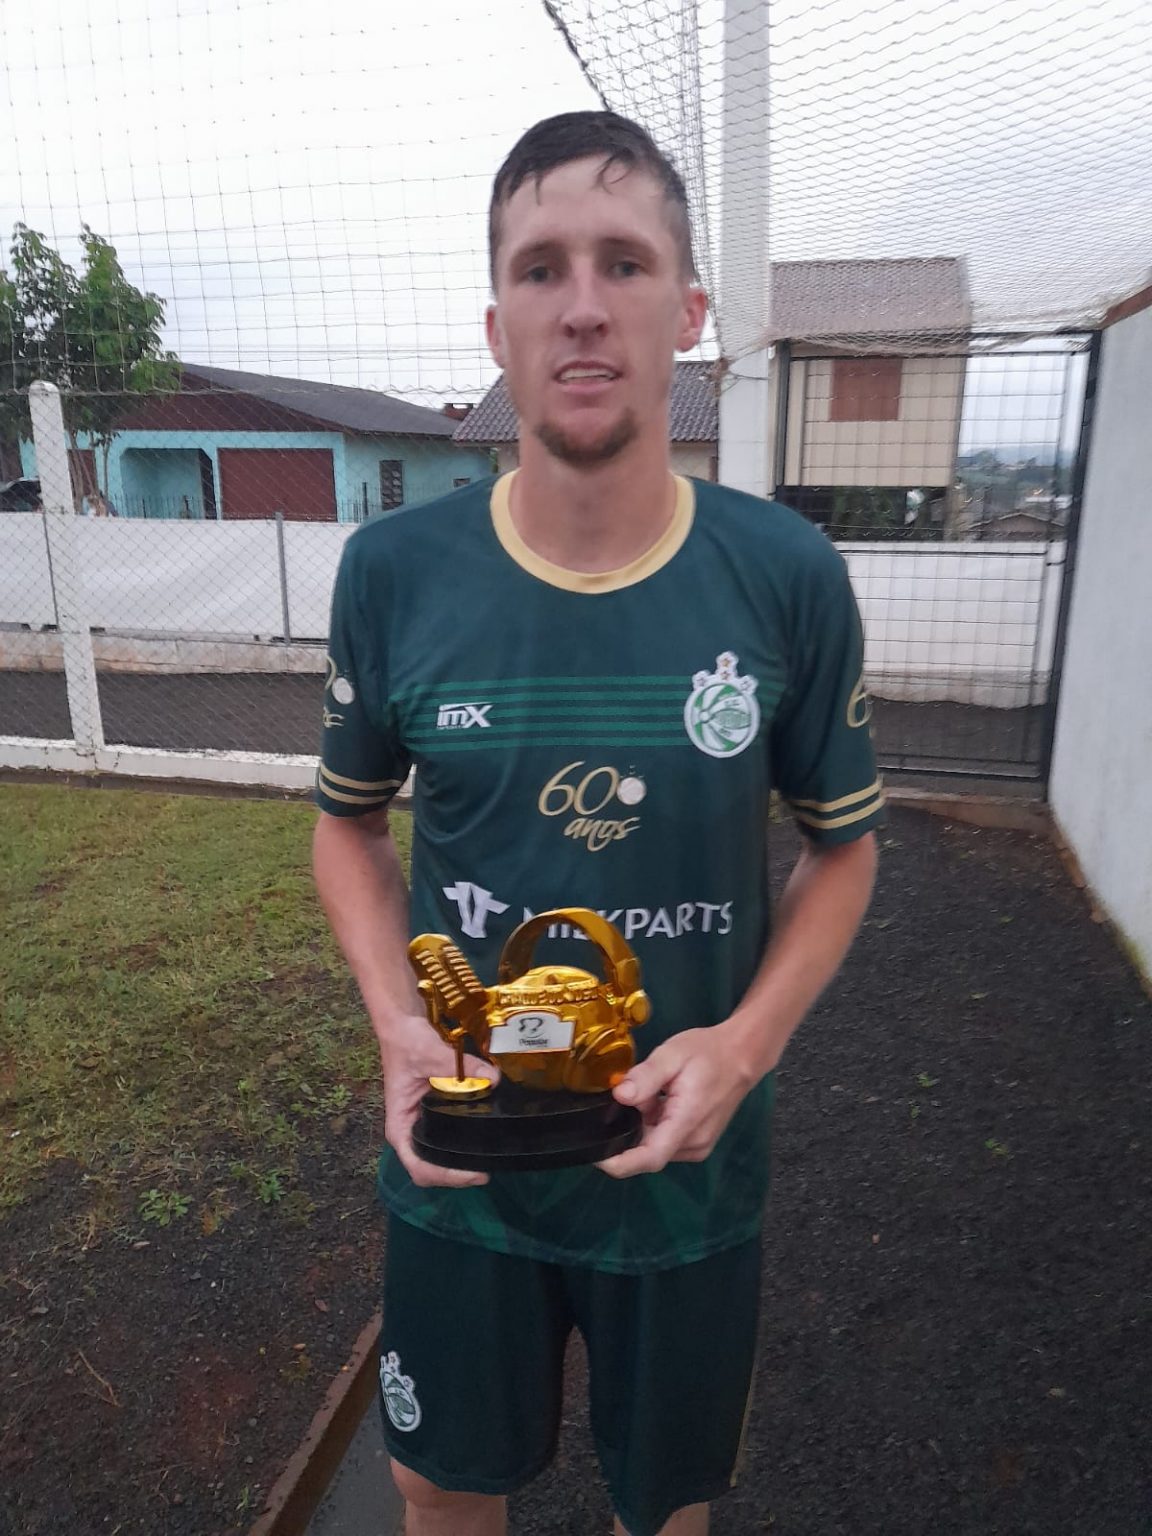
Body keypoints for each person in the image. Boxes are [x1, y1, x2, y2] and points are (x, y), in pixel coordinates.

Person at [313, 111, 882, 1536]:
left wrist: (745, 1046)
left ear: (685, 311)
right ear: (496, 325)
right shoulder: (392, 574)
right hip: (462, 1168)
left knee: (665, 1508)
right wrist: (394, 1018)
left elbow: (844, 846)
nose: (582, 305)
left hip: (683, 1180)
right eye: (541, 268)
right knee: (438, 1487)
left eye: (623, 262)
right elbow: (349, 829)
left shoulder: (786, 575)